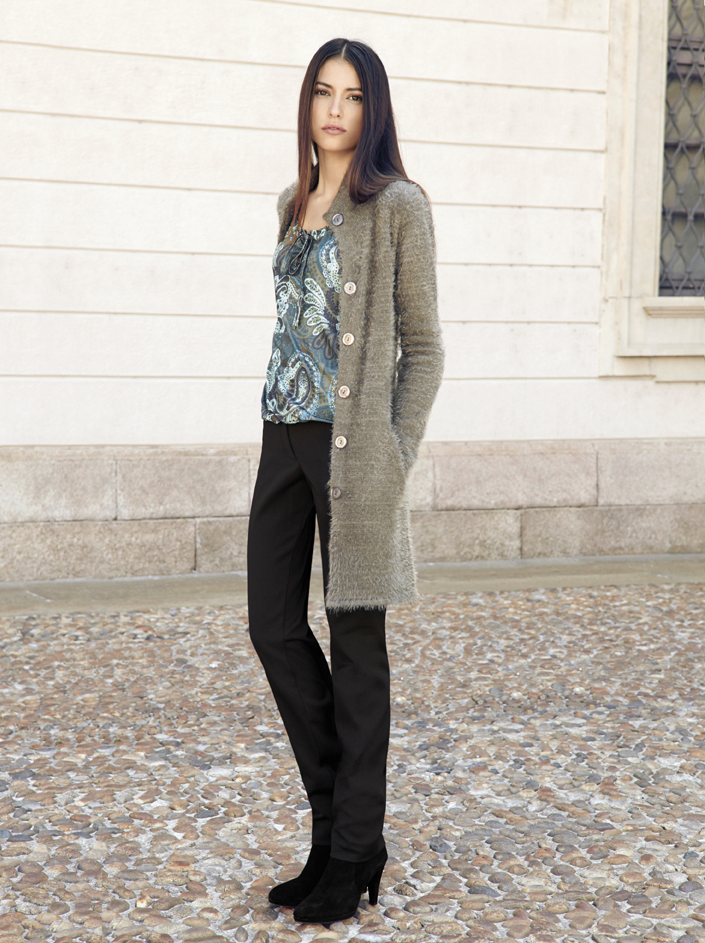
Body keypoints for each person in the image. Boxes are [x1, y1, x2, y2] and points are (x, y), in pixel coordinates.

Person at [247, 37, 444, 925]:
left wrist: (393, 453)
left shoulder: (398, 205)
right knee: (273, 625)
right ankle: (335, 831)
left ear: (374, 110)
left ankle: (353, 845)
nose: (335, 109)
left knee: (357, 646)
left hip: (354, 447)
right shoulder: (292, 204)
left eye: (353, 95)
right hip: (281, 437)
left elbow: (424, 348)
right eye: (323, 92)